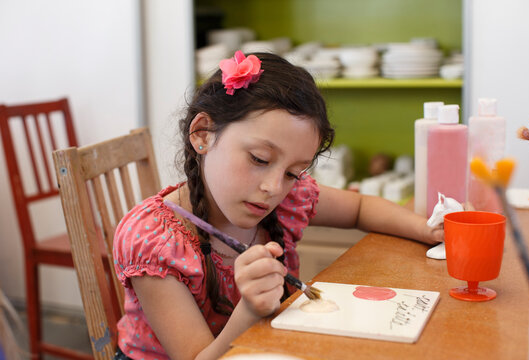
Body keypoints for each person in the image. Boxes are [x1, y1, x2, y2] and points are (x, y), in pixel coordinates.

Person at [113, 51, 443, 360]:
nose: (273, 188)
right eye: (259, 159)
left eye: (291, 173)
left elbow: (359, 209)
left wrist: (428, 229)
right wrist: (250, 311)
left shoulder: (288, 199)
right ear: (202, 134)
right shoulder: (154, 241)